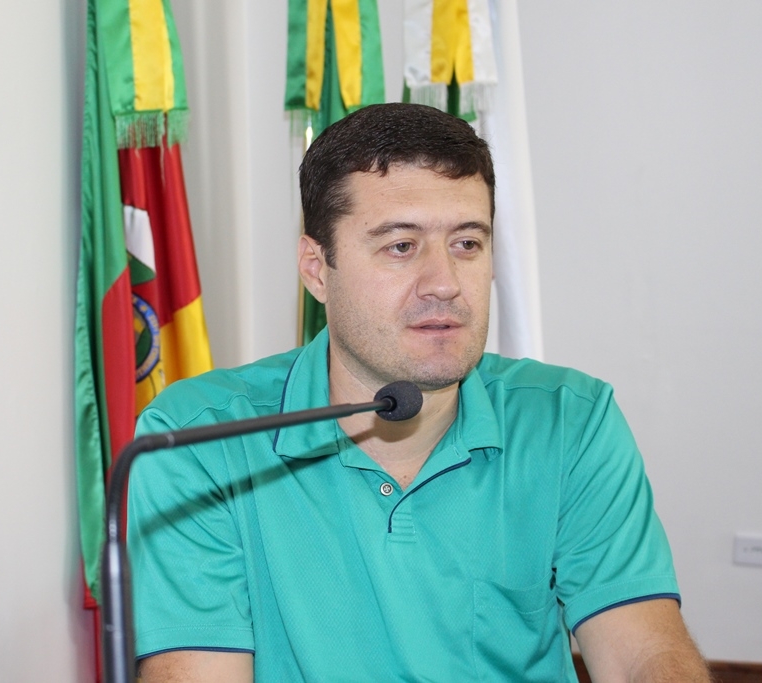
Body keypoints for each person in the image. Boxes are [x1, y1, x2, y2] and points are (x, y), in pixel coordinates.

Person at [128, 103, 710, 682]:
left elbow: (642, 653)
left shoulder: (569, 420)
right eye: (401, 246)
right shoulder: (199, 439)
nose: (445, 284)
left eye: (467, 244)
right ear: (316, 269)